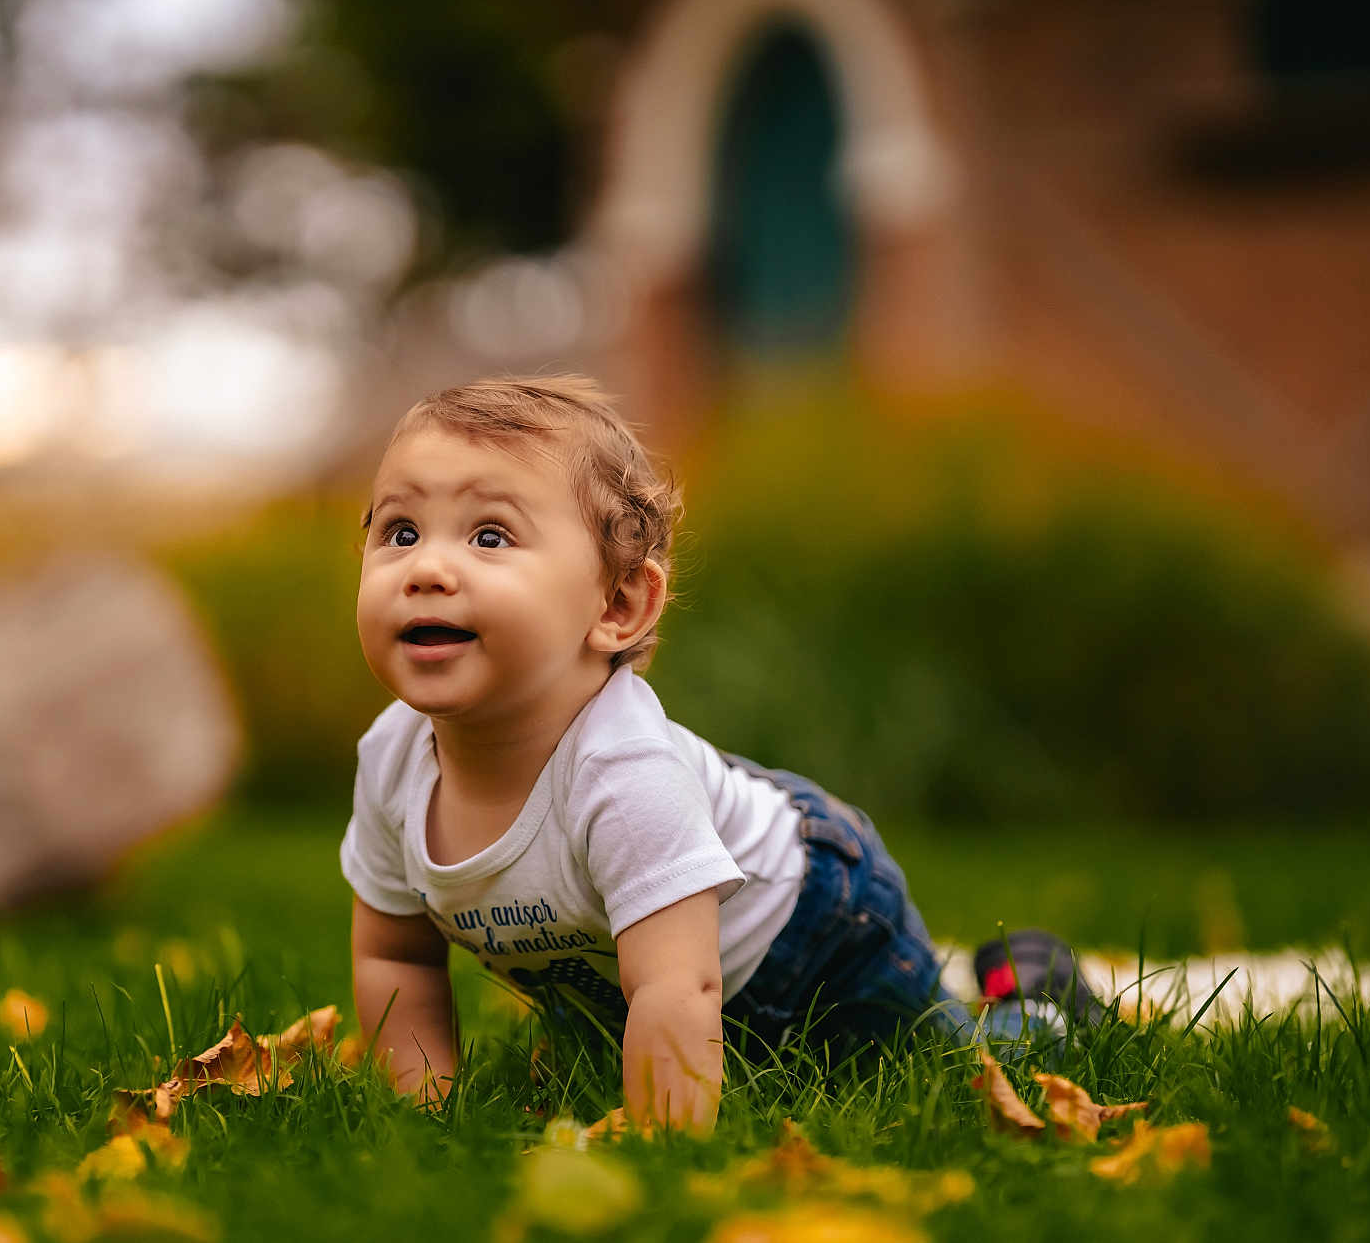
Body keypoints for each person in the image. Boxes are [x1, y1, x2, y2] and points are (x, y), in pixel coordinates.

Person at [340, 375, 1097, 1133]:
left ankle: (1034, 996)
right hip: (620, 972)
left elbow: (678, 988)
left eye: (489, 536)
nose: (426, 568)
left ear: (617, 606)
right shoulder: (393, 763)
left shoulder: (620, 774)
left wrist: (661, 1153)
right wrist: (424, 1115)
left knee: (941, 1064)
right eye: (400, 531)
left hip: (814, 929)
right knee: (604, 1053)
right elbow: (396, 958)